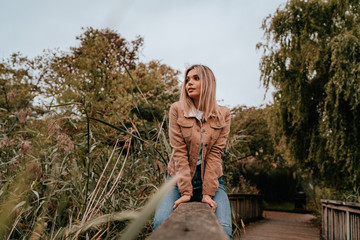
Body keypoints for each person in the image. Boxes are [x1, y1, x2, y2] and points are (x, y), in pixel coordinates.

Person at [153, 64, 232, 239]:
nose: (189, 83)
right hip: (177, 180)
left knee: (224, 229)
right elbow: (179, 151)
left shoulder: (223, 114)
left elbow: (215, 153)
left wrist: (207, 193)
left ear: (209, 83)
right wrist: (186, 193)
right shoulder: (177, 109)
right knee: (160, 224)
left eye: (196, 78)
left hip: (212, 180)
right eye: (187, 79)